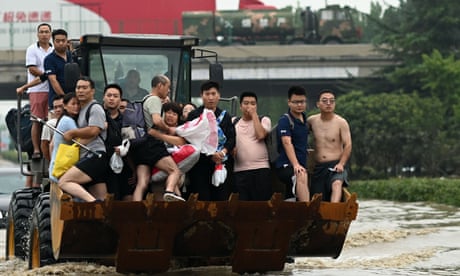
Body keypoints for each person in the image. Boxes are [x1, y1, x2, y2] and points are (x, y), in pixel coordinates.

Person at [130, 74, 185, 202]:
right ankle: (169, 192)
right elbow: (157, 120)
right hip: (152, 144)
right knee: (174, 171)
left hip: (140, 145)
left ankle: (134, 209)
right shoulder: (154, 100)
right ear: (160, 86)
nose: (169, 90)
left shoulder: (145, 99)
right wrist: (167, 129)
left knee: (142, 183)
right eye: (168, 87)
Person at [58, 76, 108, 202]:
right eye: (78, 88)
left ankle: (93, 204)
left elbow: (94, 130)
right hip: (90, 156)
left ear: (92, 91)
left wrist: (73, 133)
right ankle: (101, 214)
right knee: (102, 198)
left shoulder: (95, 108)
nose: (80, 90)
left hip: (94, 155)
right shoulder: (81, 110)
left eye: (84, 88)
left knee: (64, 181)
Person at [185, 80, 235, 201]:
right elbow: (190, 139)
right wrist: (209, 154)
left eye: (213, 94)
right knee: (202, 198)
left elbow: (232, 138)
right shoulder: (194, 115)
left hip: (221, 162)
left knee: (221, 198)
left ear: (219, 95)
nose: (210, 97)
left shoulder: (225, 116)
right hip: (200, 164)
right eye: (207, 94)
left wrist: (222, 153)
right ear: (202, 96)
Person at [307, 89, 352, 202]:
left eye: (332, 101)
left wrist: (341, 164)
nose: (328, 104)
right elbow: (299, 135)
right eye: (325, 101)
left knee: (336, 184)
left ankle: (334, 212)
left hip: (336, 166)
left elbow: (348, 145)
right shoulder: (311, 121)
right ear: (318, 104)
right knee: (318, 199)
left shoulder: (341, 122)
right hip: (319, 167)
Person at [18, 23, 54, 160]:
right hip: (37, 89)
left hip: (52, 89)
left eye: (47, 32)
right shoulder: (32, 49)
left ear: (50, 34)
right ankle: (37, 150)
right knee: (37, 120)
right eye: (42, 32)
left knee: (50, 120)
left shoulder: (54, 49)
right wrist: (47, 75)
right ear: (38, 34)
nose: (44, 34)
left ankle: (49, 148)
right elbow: (31, 68)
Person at [232, 91, 272, 201]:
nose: (249, 106)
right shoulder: (234, 122)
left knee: (261, 205)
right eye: (246, 103)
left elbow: (260, 135)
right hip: (239, 170)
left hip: (260, 169)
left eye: (253, 103)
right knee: (242, 207)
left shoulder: (264, 120)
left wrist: (254, 115)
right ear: (240, 106)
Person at [275, 85, 310, 202]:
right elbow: (287, 142)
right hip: (286, 166)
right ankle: (307, 211)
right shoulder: (285, 120)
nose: (299, 105)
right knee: (301, 175)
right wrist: (295, 165)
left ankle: (291, 215)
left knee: (291, 193)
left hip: (300, 165)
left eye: (302, 102)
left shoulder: (305, 119)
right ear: (289, 102)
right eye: (296, 102)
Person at [102, 83, 133, 201]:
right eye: (109, 95)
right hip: (104, 164)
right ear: (103, 97)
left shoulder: (127, 120)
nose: (111, 98)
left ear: (120, 100)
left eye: (115, 96)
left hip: (125, 164)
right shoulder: (98, 116)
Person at [48, 93, 80, 184]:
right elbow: (81, 140)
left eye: (78, 104)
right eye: (73, 104)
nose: (76, 107)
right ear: (65, 106)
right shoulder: (68, 121)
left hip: (56, 166)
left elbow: (52, 145)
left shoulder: (63, 119)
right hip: (62, 169)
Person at [44, 29, 72, 110]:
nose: (61, 43)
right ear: (53, 42)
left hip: (73, 102)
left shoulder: (72, 56)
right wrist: (65, 98)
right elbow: (53, 80)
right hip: (57, 103)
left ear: (67, 41)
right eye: (58, 41)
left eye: (63, 40)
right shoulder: (49, 59)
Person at [41, 95, 64, 163]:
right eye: (55, 107)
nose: (58, 110)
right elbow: (44, 145)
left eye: (61, 106)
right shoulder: (50, 124)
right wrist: (51, 162)